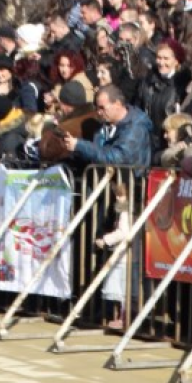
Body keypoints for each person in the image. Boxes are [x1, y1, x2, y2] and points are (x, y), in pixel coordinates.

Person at [65, 84, 152, 168]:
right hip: (101, 175)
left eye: (102, 108)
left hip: (127, 177)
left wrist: (80, 146)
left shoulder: (136, 128)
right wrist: (75, 148)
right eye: (97, 108)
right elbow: (97, 154)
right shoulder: (104, 125)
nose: (99, 112)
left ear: (117, 104)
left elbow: (117, 159)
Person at [95, 181, 131, 330]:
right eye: (116, 195)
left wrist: (105, 240)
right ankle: (122, 317)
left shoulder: (126, 210)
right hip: (125, 254)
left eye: (120, 195)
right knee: (123, 289)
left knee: (122, 289)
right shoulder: (128, 208)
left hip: (124, 255)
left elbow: (123, 232)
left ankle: (123, 318)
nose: (117, 198)